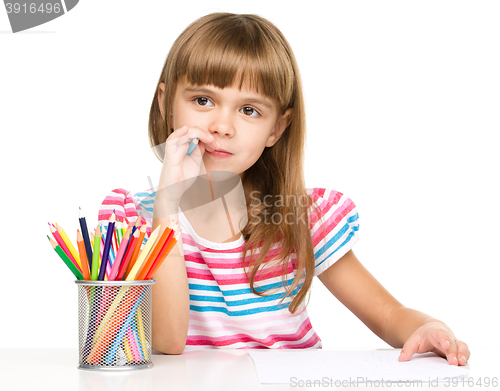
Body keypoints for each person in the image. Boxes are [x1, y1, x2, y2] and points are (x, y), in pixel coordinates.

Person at [98, 12, 470, 365]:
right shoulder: (132, 221)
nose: (221, 125)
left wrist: (429, 328)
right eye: (203, 100)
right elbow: (167, 341)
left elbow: (389, 315)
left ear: (277, 128)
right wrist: (168, 206)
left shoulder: (303, 218)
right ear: (166, 104)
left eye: (249, 111)